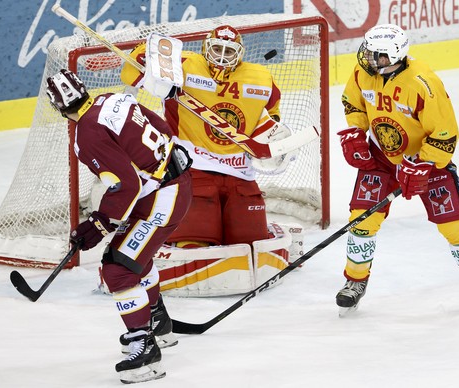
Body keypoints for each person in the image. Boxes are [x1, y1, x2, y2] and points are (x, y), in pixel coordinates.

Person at [334, 24, 459, 315]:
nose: (367, 58)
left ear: (393, 56)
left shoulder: (423, 83)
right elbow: (352, 102)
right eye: (368, 51)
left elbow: (446, 134)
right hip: (382, 158)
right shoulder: (364, 73)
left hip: (427, 163)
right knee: (361, 220)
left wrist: (422, 164)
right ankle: (355, 282)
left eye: (376, 55)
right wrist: (356, 132)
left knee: (456, 226)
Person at [46, 69, 192, 383]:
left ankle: (146, 351)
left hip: (163, 197)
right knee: (135, 257)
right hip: (168, 184)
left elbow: (125, 185)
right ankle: (157, 323)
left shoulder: (86, 134)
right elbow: (161, 126)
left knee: (118, 268)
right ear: (84, 90)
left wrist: (99, 224)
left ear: (58, 107)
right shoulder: (111, 100)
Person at [120, 25, 284, 250]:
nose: (222, 56)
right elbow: (131, 71)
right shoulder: (185, 65)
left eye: (229, 51)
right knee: (192, 243)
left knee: (251, 244)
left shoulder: (262, 78)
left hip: (241, 175)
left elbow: (272, 117)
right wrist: (154, 66)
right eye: (217, 49)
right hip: (192, 170)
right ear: (205, 47)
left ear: (240, 53)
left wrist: (272, 139)